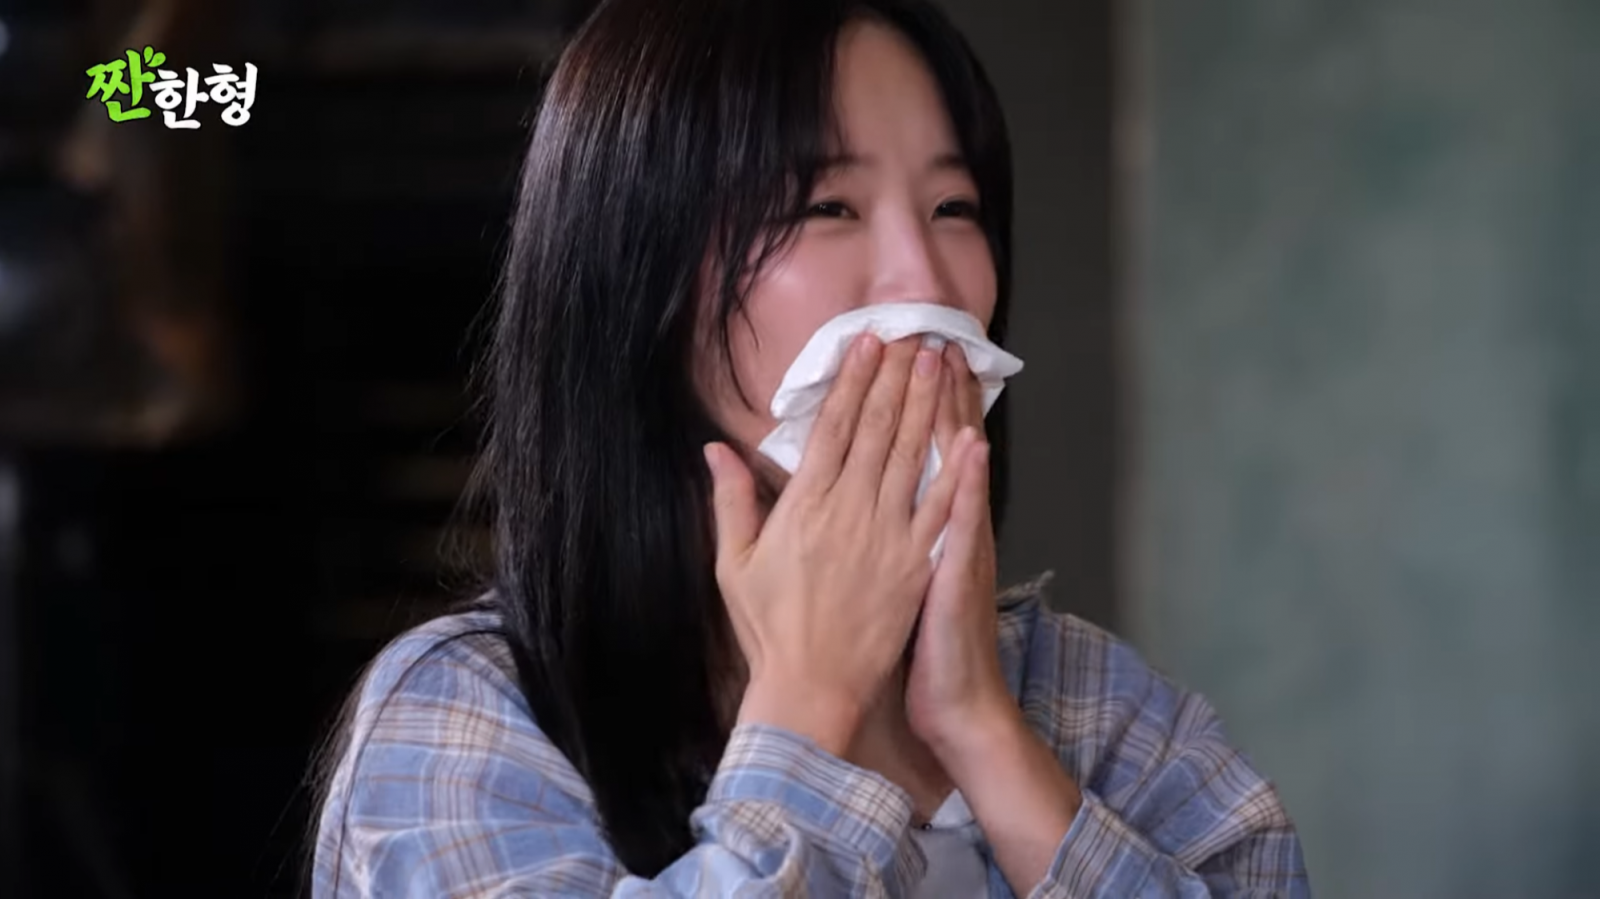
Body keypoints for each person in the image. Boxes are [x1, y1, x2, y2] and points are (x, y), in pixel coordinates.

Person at [310, 0, 1311, 895]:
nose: (923, 283)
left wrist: (982, 730)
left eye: (954, 209)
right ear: (638, 272)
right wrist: (808, 705)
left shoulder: (1087, 699)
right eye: (827, 207)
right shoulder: (470, 715)